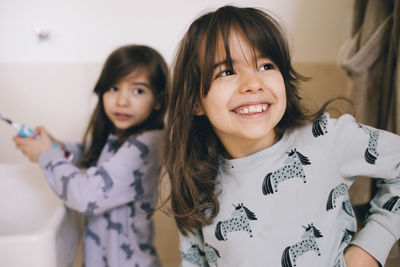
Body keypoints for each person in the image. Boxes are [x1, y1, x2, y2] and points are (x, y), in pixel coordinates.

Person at [162, 5, 400, 267]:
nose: (253, 83)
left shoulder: (328, 139)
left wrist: (371, 246)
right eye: (227, 71)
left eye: (265, 65)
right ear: (195, 101)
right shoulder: (196, 180)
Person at [14, 45, 168, 267]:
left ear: (159, 101)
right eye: (114, 88)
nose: (122, 101)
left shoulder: (147, 144)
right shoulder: (118, 135)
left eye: (138, 91)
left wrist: (46, 155)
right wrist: (55, 145)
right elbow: (89, 153)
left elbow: (86, 196)